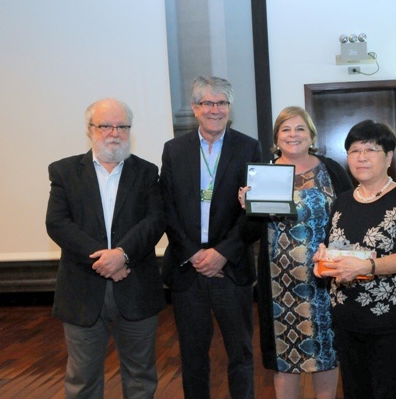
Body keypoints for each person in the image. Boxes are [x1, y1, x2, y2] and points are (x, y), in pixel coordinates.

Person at [46, 98, 166, 398]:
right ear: (90, 129)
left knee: (141, 377)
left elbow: (155, 221)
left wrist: (122, 254)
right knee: (82, 380)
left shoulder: (147, 172)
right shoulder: (64, 171)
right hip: (82, 291)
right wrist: (104, 259)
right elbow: (58, 224)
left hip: (136, 286)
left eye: (122, 126)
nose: (115, 132)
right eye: (105, 125)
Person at [238, 106, 353, 399]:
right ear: (277, 138)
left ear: (311, 135)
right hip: (280, 284)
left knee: (326, 351)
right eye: (286, 129)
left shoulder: (331, 169)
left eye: (300, 128)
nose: (293, 135)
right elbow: (249, 232)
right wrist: (246, 206)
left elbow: (349, 216)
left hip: (325, 279)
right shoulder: (264, 174)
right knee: (283, 356)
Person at [160, 76, 262, 398]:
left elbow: (254, 212)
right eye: (207, 103)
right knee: (192, 356)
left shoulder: (249, 147)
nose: (215, 109)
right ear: (194, 108)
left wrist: (222, 253)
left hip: (230, 269)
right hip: (187, 269)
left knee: (241, 354)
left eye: (221, 103)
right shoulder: (174, 150)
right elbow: (167, 207)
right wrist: (193, 253)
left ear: (229, 108)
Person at [313, 119, 396, 399]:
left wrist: (368, 267)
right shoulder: (341, 201)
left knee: (385, 391)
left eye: (371, 149)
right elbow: (332, 246)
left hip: (386, 319)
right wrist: (322, 259)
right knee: (354, 391)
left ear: (389, 157)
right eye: (354, 150)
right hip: (345, 316)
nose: (361, 157)